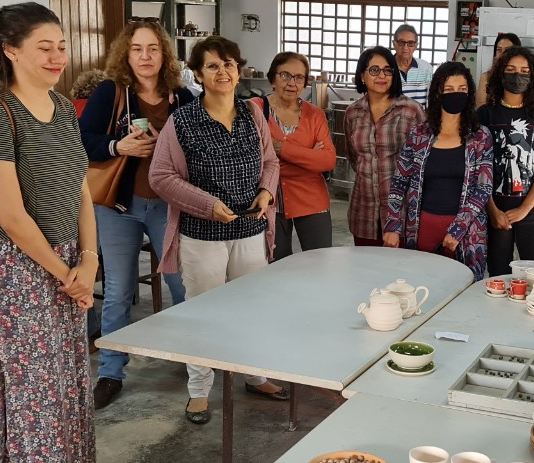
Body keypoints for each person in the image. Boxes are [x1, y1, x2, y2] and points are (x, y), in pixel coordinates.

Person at [0, 2, 119, 463]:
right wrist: (67, 275)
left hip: (70, 262)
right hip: (20, 271)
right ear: (9, 50)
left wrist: (91, 260)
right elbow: (10, 217)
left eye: (61, 46)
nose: (57, 57)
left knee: (68, 387)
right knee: (24, 394)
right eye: (43, 47)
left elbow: (80, 187)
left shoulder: (58, 105)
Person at [150, 36, 289, 425]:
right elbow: (161, 176)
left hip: (250, 230)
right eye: (212, 66)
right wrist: (207, 205)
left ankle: (255, 374)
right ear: (197, 74)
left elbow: (270, 162)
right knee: (203, 313)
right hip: (202, 236)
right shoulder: (183, 121)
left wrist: (265, 191)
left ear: (238, 70)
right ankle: (199, 391)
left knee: (253, 307)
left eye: (229, 64)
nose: (223, 72)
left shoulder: (252, 113)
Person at [80, 18, 194, 409]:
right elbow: (83, 139)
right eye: (137, 49)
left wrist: (171, 148)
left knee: (182, 285)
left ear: (164, 54)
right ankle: (110, 372)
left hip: (168, 205)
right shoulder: (111, 93)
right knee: (118, 291)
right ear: (125, 55)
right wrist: (117, 147)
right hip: (118, 206)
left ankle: (190, 358)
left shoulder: (181, 97)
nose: (145, 56)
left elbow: (200, 146)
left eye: (153, 48)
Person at [384, 62, 493, 280]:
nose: (456, 95)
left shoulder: (480, 136)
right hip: (423, 225)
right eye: (448, 89)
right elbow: (399, 183)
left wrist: (459, 227)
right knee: (422, 285)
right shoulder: (419, 134)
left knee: (465, 291)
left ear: (470, 94)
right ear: (437, 93)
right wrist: (393, 225)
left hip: (467, 231)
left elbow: (483, 188)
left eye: (462, 89)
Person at [255, 51, 336, 260]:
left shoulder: (315, 114)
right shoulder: (255, 109)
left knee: (320, 263)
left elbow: (327, 160)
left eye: (299, 77)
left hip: (312, 199)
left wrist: (280, 149)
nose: (292, 83)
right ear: (273, 78)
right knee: (278, 266)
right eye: (285, 75)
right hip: (270, 200)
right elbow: (253, 157)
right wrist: (308, 156)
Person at [479, 46, 534, 276]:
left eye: (524, 70)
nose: (517, 75)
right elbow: (478, 168)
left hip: (533, 208)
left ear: (533, 77)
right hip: (494, 208)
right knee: (498, 274)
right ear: (501, 73)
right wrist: (492, 210)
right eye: (511, 69)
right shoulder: (484, 115)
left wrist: (525, 208)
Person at [344, 46, 425, 246]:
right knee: (367, 272)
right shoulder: (352, 113)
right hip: (364, 211)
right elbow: (353, 157)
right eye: (374, 70)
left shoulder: (411, 110)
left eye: (388, 70)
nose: (382, 76)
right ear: (362, 75)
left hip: (403, 212)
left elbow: (423, 161)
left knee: (400, 276)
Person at [393, 24, 435, 107]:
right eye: (401, 42)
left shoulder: (426, 68)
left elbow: (431, 100)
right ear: (394, 43)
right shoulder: (386, 68)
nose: (405, 47)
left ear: (416, 46)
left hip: (421, 119)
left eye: (410, 43)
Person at [475, 32, 521, 107]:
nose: (502, 54)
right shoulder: (486, 77)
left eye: (507, 50)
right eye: (499, 50)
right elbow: (481, 107)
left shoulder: (522, 77)